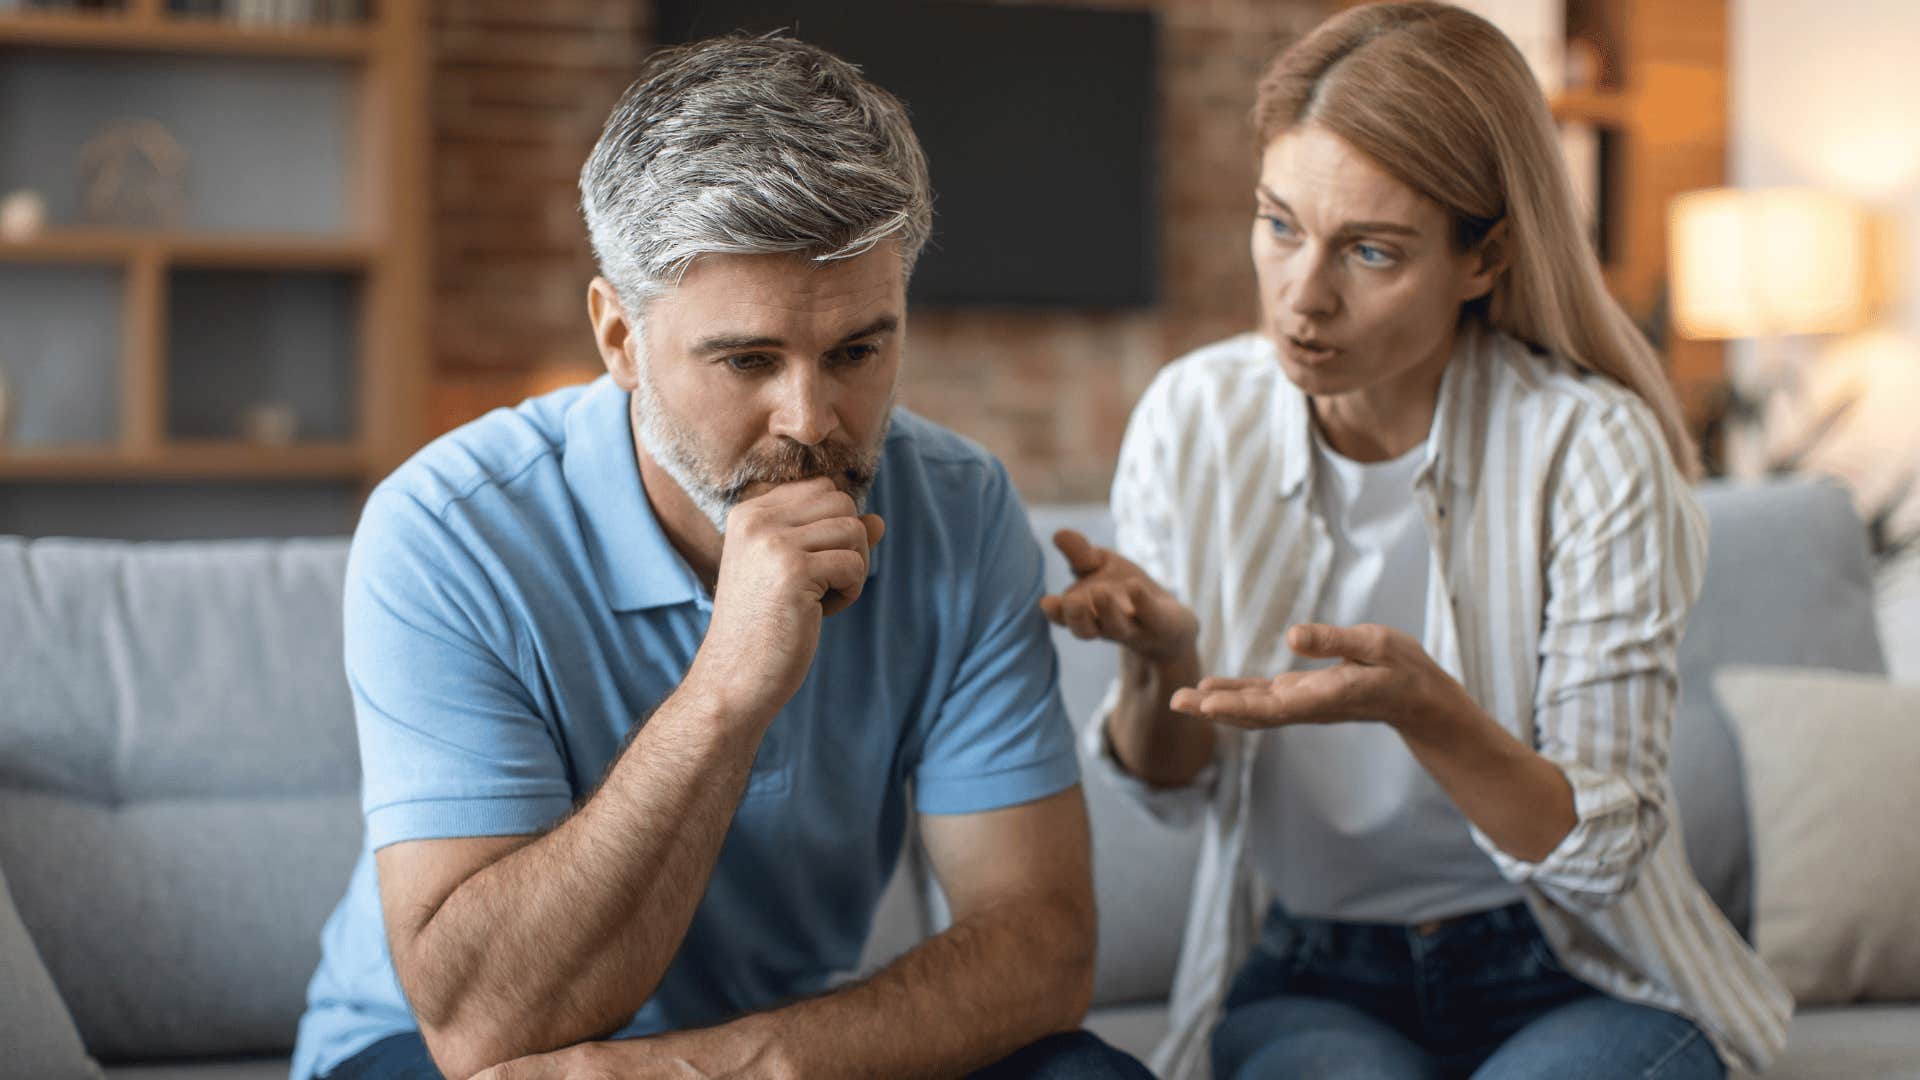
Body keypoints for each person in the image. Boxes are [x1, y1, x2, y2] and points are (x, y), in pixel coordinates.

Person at [290, 35, 1151, 1080]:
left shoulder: (960, 509)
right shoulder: (446, 531)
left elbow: (1039, 952)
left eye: (858, 352)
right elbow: (484, 1029)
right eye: (748, 360)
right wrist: (729, 687)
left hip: (772, 1048)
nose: (813, 420)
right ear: (619, 338)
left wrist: (734, 1069)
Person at [1042, 4, 1791, 1078]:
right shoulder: (1192, 418)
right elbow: (1175, 797)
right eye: (1279, 224)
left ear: (1482, 260)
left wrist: (1423, 708)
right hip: (1309, 971)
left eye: (1372, 251)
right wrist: (1161, 662)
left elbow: (1600, 853)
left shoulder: (1590, 447)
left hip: (1571, 965)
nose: (1303, 297)